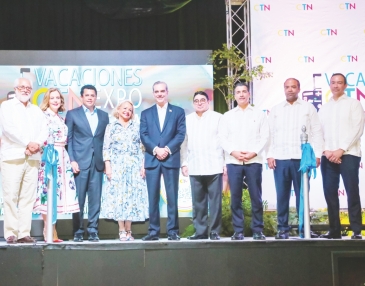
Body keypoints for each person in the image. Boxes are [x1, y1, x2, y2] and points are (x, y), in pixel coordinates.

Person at [267, 78, 323, 239]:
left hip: (302, 160)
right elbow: (269, 134)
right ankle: (282, 229)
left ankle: (304, 229)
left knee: (303, 195)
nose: (290, 90)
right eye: (287, 87)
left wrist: (317, 154)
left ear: (299, 89)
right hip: (281, 158)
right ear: (283, 89)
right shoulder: (276, 109)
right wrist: (270, 155)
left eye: (293, 87)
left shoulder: (308, 108)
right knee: (282, 196)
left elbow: (317, 132)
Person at [0, 78, 48, 244]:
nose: (25, 90)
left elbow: (44, 130)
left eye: (28, 87)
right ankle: (11, 233)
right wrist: (29, 143)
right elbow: (8, 129)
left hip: (33, 158)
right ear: (15, 88)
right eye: (22, 87)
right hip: (13, 157)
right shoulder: (6, 106)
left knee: (28, 198)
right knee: (11, 196)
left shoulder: (36, 110)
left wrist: (36, 144)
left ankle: (23, 233)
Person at [219, 82, 269, 240]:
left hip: (253, 161)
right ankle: (238, 231)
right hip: (234, 161)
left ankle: (257, 230)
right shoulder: (227, 116)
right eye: (238, 92)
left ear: (249, 94)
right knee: (235, 198)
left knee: (256, 197)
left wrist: (253, 153)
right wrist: (234, 152)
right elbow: (222, 138)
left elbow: (265, 136)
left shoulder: (259, 114)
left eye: (244, 92)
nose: (241, 94)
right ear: (234, 96)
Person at [318, 73, 364, 240]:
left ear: (345, 86)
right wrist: (326, 151)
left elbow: (357, 129)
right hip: (328, 156)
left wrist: (341, 150)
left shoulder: (354, 104)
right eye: (333, 82)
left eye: (340, 83)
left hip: (349, 154)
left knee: (352, 191)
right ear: (330, 85)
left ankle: (357, 230)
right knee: (330, 193)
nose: (336, 85)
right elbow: (318, 132)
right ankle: (334, 230)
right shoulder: (324, 108)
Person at [140, 81, 186, 241]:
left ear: (167, 92)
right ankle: (153, 232)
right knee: (152, 197)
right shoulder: (145, 113)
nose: (159, 94)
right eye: (156, 92)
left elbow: (180, 134)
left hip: (170, 158)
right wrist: (155, 150)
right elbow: (143, 135)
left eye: (162, 91)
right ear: (153, 94)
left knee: (172, 197)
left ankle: (173, 231)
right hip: (152, 159)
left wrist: (166, 149)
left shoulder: (178, 112)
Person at [33, 88, 80, 242]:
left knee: (57, 193)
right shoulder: (42, 115)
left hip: (62, 156)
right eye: (52, 98)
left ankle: (52, 230)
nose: (55, 100)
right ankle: (49, 230)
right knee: (48, 191)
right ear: (47, 99)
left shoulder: (61, 118)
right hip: (49, 156)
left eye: (58, 98)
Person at [65, 84, 109, 242]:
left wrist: (106, 162)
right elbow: (68, 140)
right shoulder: (72, 114)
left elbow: (105, 141)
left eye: (93, 95)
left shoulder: (104, 116)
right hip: (79, 163)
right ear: (82, 97)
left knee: (95, 199)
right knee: (79, 200)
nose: (90, 97)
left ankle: (93, 231)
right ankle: (78, 231)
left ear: (96, 97)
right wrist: (72, 160)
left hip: (97, 163)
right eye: (87, 95)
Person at [101, 100, 149, 241]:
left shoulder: (137, 126)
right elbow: (106, 148)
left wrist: (143, 165)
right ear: (118, 109)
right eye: (124, 108)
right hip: (117, 166)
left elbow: (142, 148)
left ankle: (129, 229)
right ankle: (121, 229)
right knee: (119, 197)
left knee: (132, 197)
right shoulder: (111, 127)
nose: (127, 111)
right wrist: (108, 165)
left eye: (130, 110)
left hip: (134, 166)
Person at [181, 91, 225, 240]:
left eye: (202, 100)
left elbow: (224, 141)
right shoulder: (187, 120)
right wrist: (184, 163)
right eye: (196, 101)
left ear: (208, 102)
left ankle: (214, 232)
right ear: (193, 104)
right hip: (195, 165)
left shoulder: (218, 118)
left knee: (215, 203)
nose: (199, 103)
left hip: (214, 165)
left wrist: (224, 163)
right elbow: (184, 143)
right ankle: (200, 232)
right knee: (198, 202)